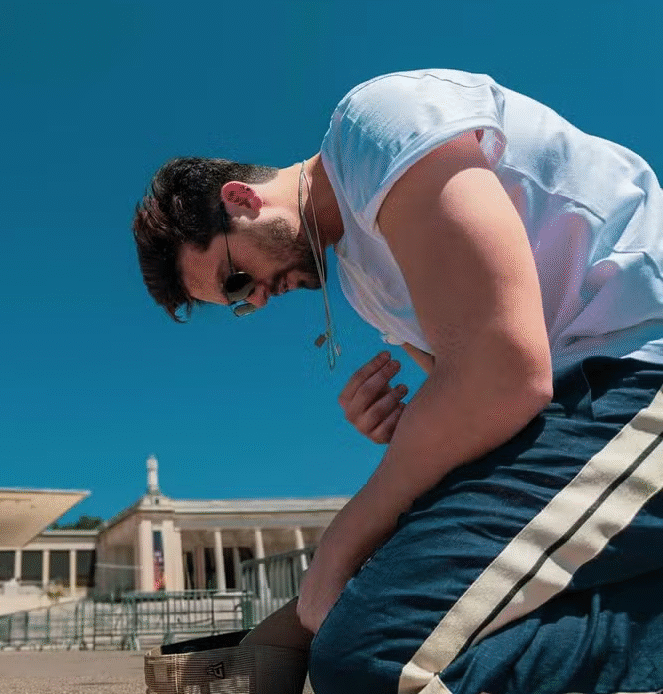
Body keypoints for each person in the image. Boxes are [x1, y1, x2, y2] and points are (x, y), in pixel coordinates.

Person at [131, 68, 663, 694]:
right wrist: (417, 426)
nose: (258, 299)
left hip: (636, 361)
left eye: (236, 281)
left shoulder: (376, 125)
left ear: (241, 200)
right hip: (579, 415)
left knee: (377, 657)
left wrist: (338, 547)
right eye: (239, 305)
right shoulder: (362, 288)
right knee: (367, 633)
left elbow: (502, 379)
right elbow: (485, 411)